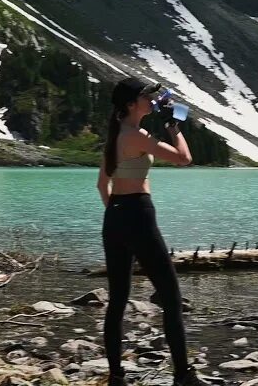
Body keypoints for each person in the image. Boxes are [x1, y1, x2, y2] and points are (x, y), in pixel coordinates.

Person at [97, 77, 205, 386]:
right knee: (171, 297)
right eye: (147, 96)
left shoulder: (115, 135)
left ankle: (116, 377)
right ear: (132, 104)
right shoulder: (136, 135)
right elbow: (184, 159)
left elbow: (101, 185)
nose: (152, 100)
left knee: (118, 300)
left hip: (115, 217)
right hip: (138, 215)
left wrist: (116, 216)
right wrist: (174, 127)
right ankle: (183, 375)